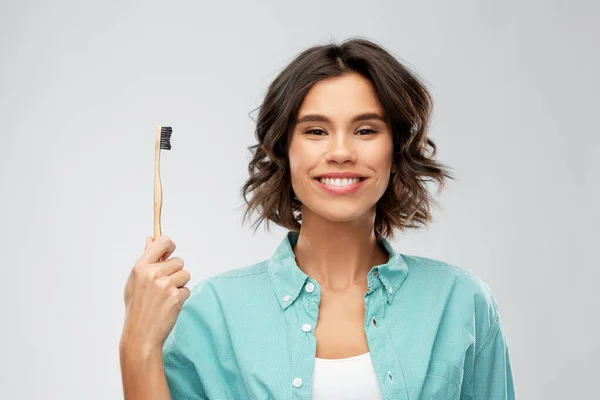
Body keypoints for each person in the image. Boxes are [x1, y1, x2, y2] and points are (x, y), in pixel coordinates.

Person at [119, 38, 516, 400]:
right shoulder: (210, 314)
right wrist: (137, 347)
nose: (340, 152)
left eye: (365, 130)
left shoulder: (462, 303)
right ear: (284, 151)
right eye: (315, 131)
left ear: (395, 150)